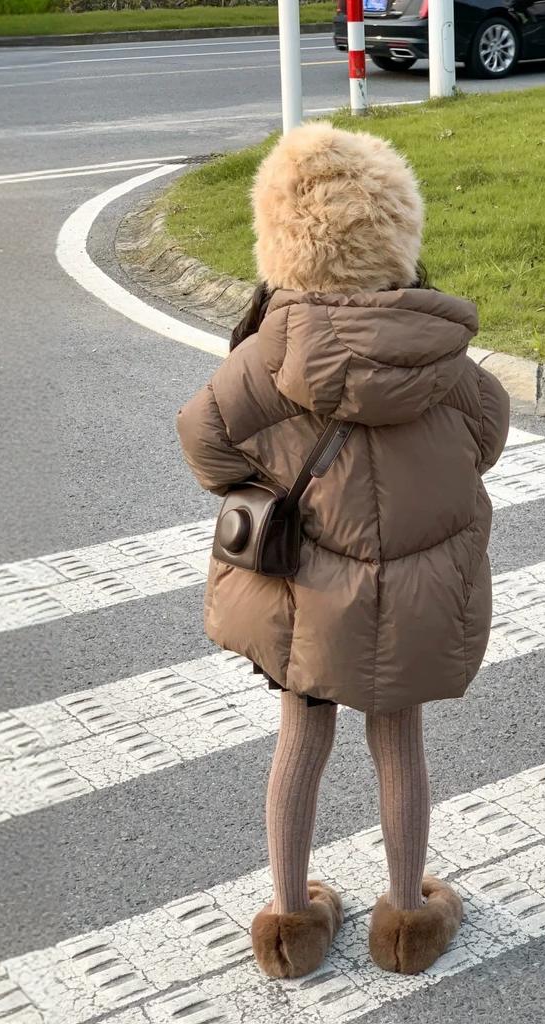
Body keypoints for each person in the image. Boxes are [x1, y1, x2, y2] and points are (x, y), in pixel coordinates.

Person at [176, 123, 510, 979]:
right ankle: (407, 923)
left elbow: (203, 443)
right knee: (399, 740)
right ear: (397, 231)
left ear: (283, 237)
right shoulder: (443, 351)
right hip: (416, 599)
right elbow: (487, 437)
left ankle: (290, 927)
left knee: (300, 738)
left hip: (305, 602)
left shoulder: (269, 351)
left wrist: (270, 489)